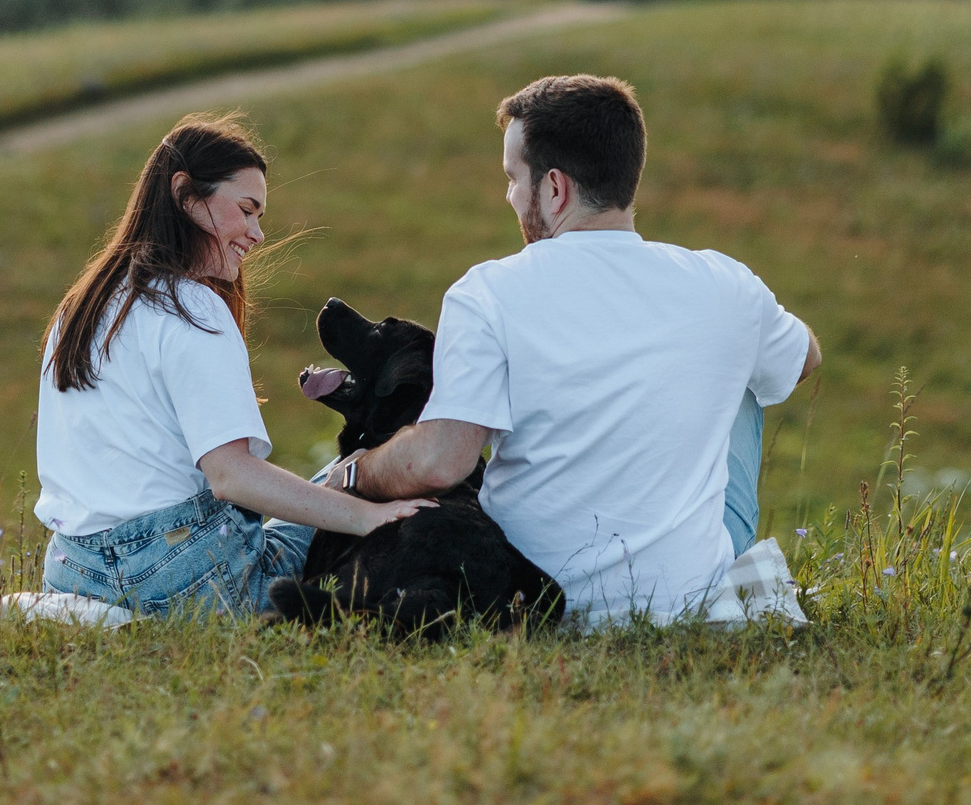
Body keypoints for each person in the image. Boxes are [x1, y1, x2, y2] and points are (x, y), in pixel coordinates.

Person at [330, 74, 822, 627]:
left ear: (555, 188)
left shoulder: (487, 291)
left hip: (534, 597)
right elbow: (804, 359)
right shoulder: (725, 282)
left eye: (514, 179)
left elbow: (440, 461)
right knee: (746, 373)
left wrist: (355, 474)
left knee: (738, 362)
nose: (510, 196)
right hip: (680, 604)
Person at [34, 113, 431, 616]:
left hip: (71, 568)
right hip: (180, 574)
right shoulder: (192, 306)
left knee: (335, 482)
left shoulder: (81, 308)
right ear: (185, 195)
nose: (257, 233)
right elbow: (232, 477)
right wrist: (370, 517)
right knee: (363, 473)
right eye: (246, 210)